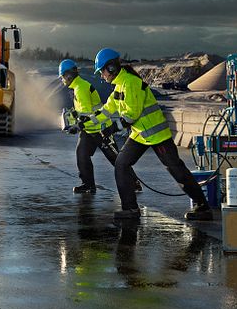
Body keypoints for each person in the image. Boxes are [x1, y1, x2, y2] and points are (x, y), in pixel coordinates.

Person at [92, 48, 213, 221]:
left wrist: (111, 128)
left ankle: (203, 207)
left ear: (111, 68)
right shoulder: (120, 85)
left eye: (102, 71)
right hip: (140, 135)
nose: (102, 75)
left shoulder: (130, 82)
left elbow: (131, 115)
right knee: (121, 164)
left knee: (177, 170)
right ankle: (130, 210)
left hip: (157, 136)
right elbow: (106, 109)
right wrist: (86, 122)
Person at [59, 59, 142, 194]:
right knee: (82, 155)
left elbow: (87, 114)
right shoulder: (77, 86)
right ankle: (88, 185)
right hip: (89, 129)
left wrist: (77, 126)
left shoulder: (81, 88)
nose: (62, 80)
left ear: (68, 75)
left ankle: (134, 183)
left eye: (62, 76)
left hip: (101, 129)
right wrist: (74, 115)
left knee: (115, 158)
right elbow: (83, 112)